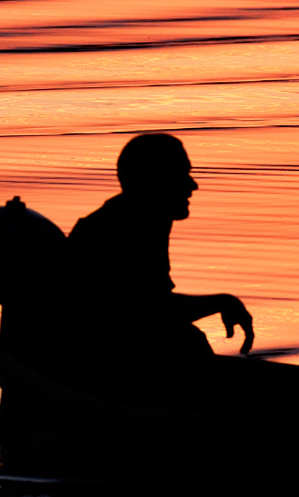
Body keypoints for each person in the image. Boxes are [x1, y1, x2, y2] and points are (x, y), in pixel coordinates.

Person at [68, 133, 255, 366]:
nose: (193, 185)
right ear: (153, 181)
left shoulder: (146, 218)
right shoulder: (117, 229)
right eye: (181, 174)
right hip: (103, 362)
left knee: (189, 339)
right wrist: (223, 302)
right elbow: (144, 309)